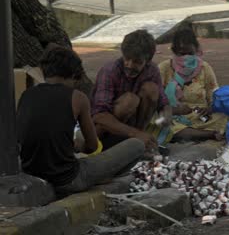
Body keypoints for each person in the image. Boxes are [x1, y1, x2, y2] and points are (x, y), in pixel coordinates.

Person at [17, 44, 144, 196]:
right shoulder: (78, 97)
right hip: (67, 180)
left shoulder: (26, 95)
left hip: (31, 175)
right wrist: (78, 145)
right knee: (137, 145)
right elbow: (91, 146)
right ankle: (101, 178)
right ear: (72, 75)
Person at [91, 30, 171, 150]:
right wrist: (135, 134)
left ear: (147, 61)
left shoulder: (152, 70)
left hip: (134, 127)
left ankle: (138, 140)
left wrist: (166, 114)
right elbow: (99, 116)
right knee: (130, 100)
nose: (129, 65)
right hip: (104, 130)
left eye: (137, 62)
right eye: (127, 59)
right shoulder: (110, 71)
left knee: (152, 89)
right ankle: (130, 139)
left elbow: (162, 101)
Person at [150, 28, 228, 143]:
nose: (186, 58)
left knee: (225, 117)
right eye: (182, 54)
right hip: (172, 115)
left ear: (196, 50)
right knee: (158, 121)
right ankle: (208, 134)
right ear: (174, 51)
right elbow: (156, 101)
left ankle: (190, 134)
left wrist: (209, 108)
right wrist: (175, 110)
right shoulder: (164, 68)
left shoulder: (204, 68)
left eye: (190, 53)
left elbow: (214, 95)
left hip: (199, 117)